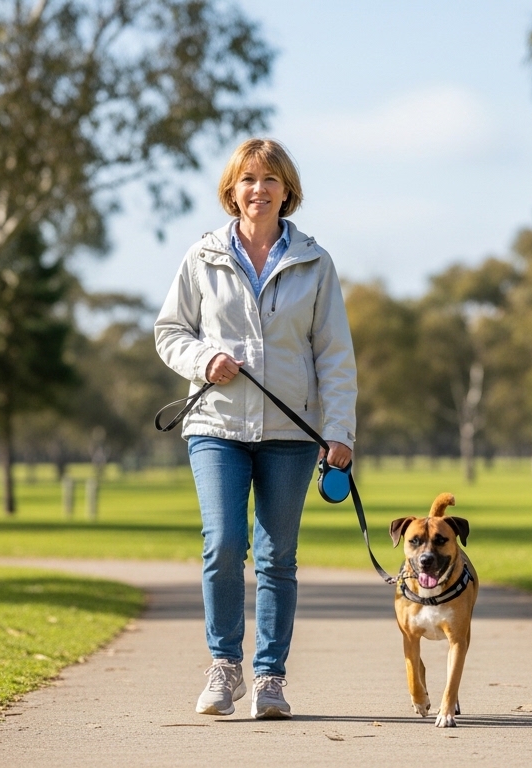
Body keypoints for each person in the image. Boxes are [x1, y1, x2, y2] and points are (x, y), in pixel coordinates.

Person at [154, 138, 357, 720]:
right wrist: (203, 361)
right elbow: (170, 332)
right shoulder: (202, 256)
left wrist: (338, 431)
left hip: (292, 433)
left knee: (277, 555)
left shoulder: (315, 263)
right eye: (247, 180)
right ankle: (224, 667)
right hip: (216, 424)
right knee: (223, 544)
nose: (258, 190)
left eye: (270, 180)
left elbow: (335, 356)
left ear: (286, 190)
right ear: (231, 190)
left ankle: (270, 678)